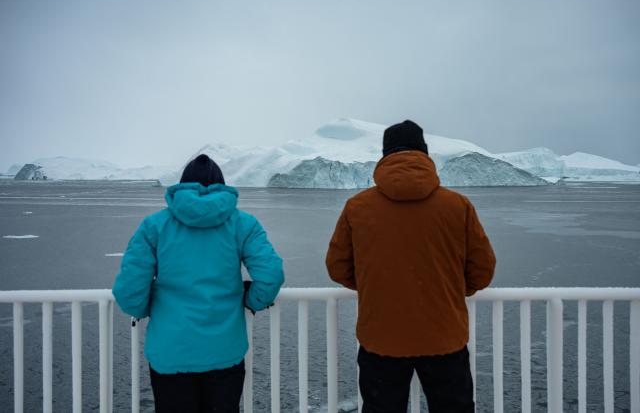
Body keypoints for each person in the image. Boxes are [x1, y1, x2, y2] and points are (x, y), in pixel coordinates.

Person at [326, 120, 496, 413]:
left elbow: (337, 266)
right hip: (445, 336)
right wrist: (451, 288)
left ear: (384, 155)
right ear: (425, 154)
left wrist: (373, 284)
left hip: (381, 339)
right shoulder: (458, 205)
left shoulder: (357, 206)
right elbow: (483, 268)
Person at [113, 154, 284, 413]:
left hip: (170, 352)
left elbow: (129, 290)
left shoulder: (154, 226)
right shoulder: (243, 224)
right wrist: (252, 300)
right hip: (225, 353)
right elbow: (270, 274)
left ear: (182, 185)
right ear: (221, 185)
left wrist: (142, 309)